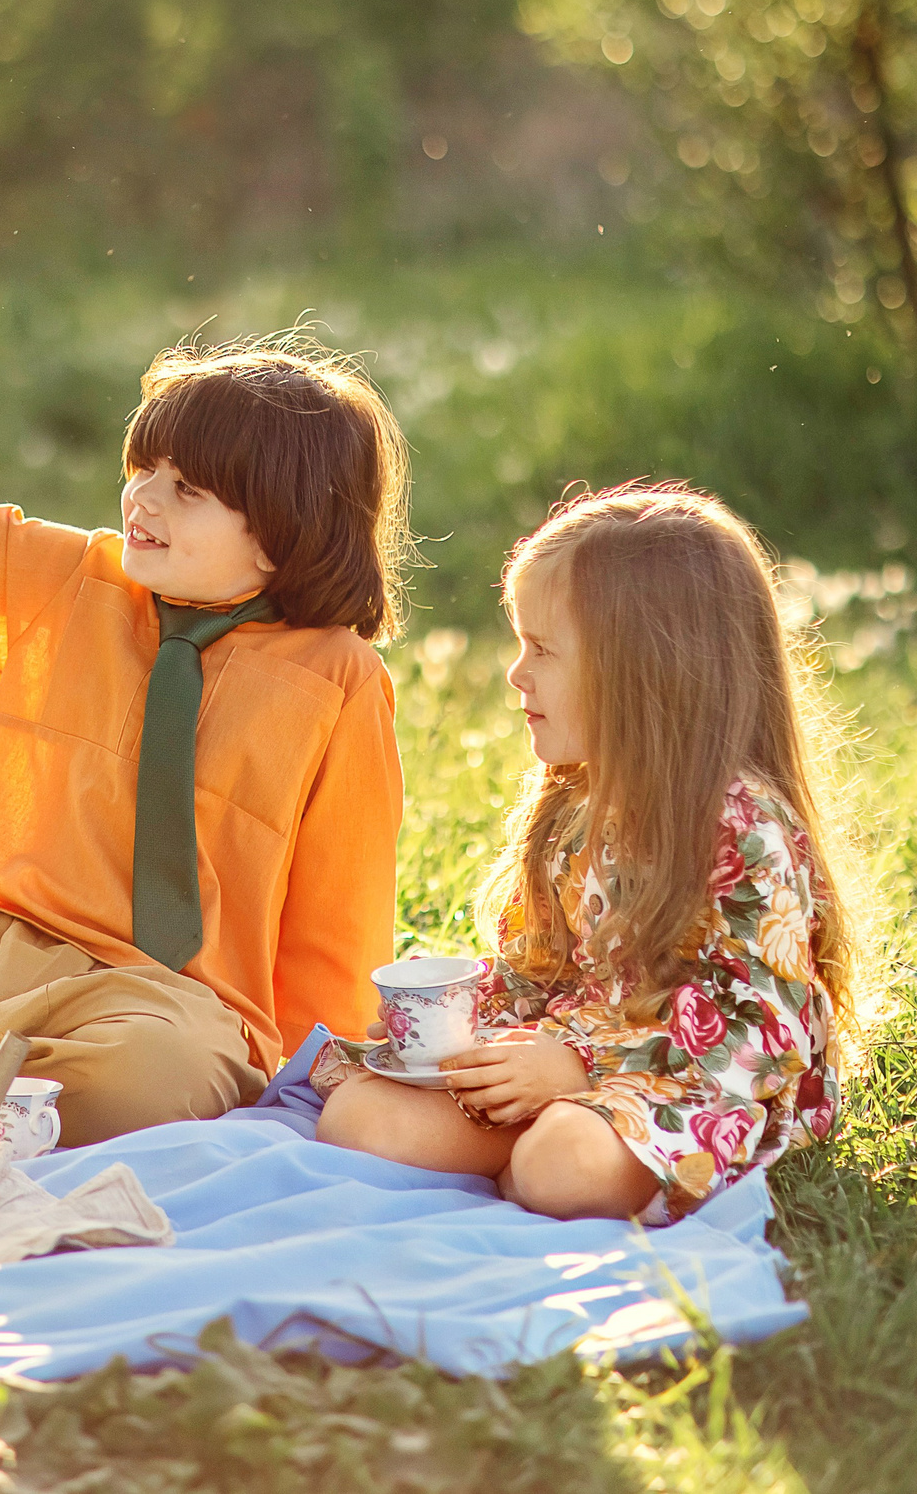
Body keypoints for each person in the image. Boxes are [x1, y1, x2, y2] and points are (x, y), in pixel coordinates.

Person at [0, 242, 410, 1145]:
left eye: (188, 490)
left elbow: (339, 912)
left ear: (288, 526)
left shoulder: (338, 677)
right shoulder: (74, 584)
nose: (144, 500)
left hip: (165, 1002)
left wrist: (322, 1077)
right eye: (142, 469)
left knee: (154, 1080)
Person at [316, 485, 860, 1223]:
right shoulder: (576, 805)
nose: (515, 674)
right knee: (356, 1119)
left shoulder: (738, 823)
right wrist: (453, 1015)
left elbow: (763, 1027)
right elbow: (541, 973)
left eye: (541, 650)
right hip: (567, 1068)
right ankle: (531, 1145)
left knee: (559, 1163)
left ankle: (539, 1155)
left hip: (693, 1084)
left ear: (644, 671)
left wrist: (579, 1066)